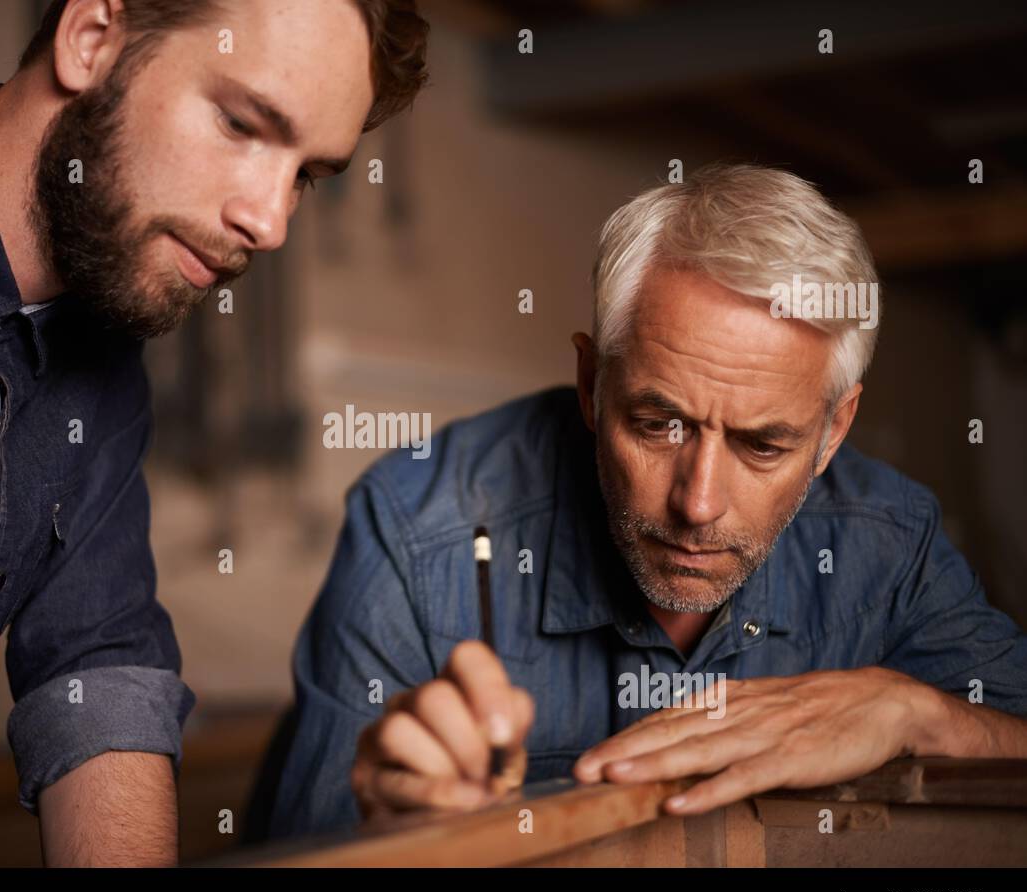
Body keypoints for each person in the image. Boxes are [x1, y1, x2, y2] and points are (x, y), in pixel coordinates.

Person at [0, 0, 428, 866]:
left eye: (308, 175)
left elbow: (97, 672)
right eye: (243, 123)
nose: (271, 221)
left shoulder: (104, 375)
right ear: (91, 39)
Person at [258, 163, 1027, 838]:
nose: (697, 503)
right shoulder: (419, 530)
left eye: (764, 445)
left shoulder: (891, 540)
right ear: (593, 385)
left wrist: (914, 711)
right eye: (659, 424)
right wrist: (395, 843)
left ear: (834, 429)